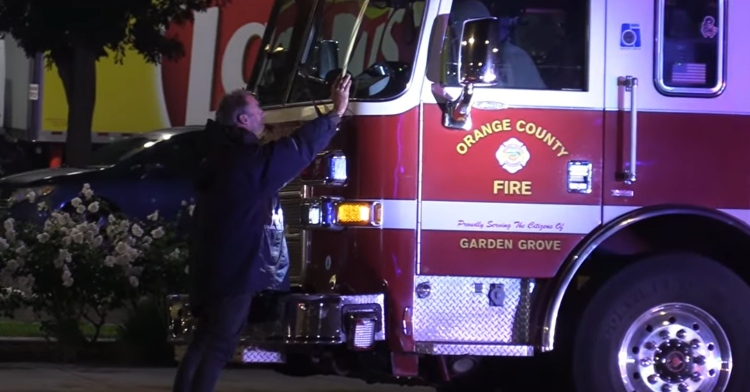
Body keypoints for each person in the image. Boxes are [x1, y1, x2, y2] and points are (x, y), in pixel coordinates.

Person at [172, 74, 352, 392]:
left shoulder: (220, 156)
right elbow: (295, 149)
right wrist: (335, 114)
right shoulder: (246, 163)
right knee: (219, 346)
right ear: (243, 119)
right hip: (234, 271)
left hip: (212, 268)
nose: (264, 116)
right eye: (258, 111)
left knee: (204, 340)